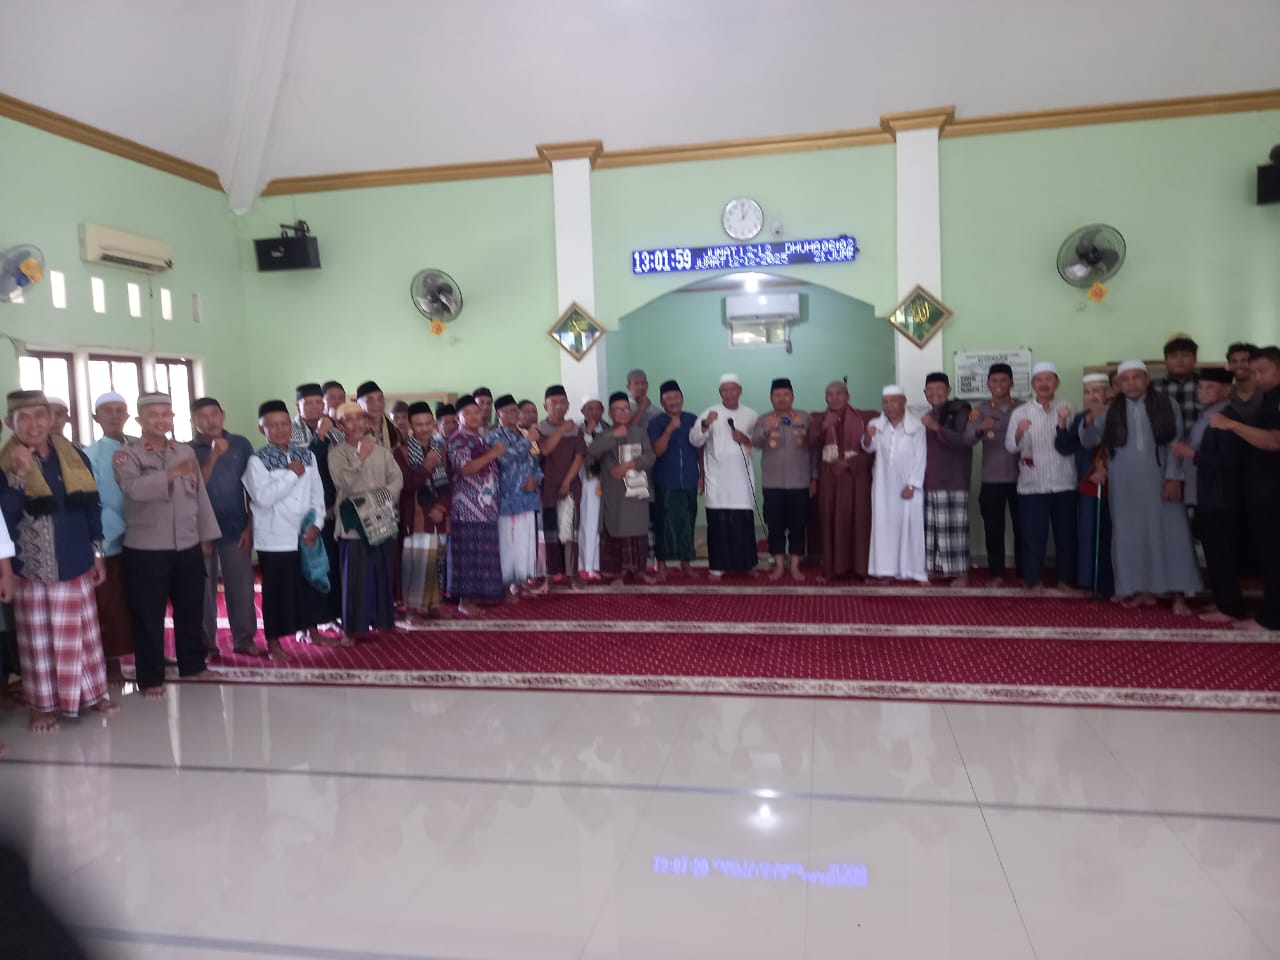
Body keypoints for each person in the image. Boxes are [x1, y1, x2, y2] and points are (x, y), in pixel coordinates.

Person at [0, 391, 115, 733]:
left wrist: (97, 553)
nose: (34, 424)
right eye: (24, 418)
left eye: (40, 415)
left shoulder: (74, 456)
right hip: (30, 568)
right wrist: (19, 476)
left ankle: (93, 695)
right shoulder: (5, 464)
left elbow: (91, 506)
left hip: (76, 559)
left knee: (85, 636)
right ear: (10, 423)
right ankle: (43, 706)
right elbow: (3, 518)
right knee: (38, 643)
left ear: (50, 418)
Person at [114, 392, 220, 699]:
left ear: (173, 418)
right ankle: (150, 677)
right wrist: (171, 474)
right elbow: (133, 488)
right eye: (154, 415)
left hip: (187, 543)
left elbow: (200, 497)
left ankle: (193, 664)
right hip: (147, 549)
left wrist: (206, 536)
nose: (161, 420)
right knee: (148, 615)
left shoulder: (184, 451)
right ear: (140, 420)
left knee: (191, 608)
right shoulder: (127, 455)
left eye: (166, 414)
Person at [1079, 360, 1201, 612]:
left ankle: (1179, 594)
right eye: (1125, 379)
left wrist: (1173, 477)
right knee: (1130, 538)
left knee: (1172, 536)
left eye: (1137, 377)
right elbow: (1088, 441)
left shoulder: (1167, 405)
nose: (1131, 383)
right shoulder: (1111, 410)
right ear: (1118, 384)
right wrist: (1090, 419)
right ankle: (1142, 589)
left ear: (1146, 380)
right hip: (1124, 486)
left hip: (1161, 482)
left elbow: (1176, 442)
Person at [241, 400, 327, 660]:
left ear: (291, 425)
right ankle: (274, 643)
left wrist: (317, 523)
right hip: (275, 537)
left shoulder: (307, 455)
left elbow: (317, 493)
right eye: (273, 425)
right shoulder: (257, 461)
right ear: (262, 429)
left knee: (308, 584)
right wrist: (291, 475)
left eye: (284, 424)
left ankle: (312, 630)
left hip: (305, 533)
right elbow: (263, 498)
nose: (280, 430)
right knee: (276, 592)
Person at [1209, 345, 1280, 630]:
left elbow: (1274, 441)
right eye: (1255, 372)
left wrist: (1231, 425)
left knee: (1273, 554)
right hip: (1261, 489)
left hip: (1272, 490)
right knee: (1267, 554)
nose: (1258, 377)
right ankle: (1270, 613)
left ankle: (1273, 619)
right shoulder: (1268, 399)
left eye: (1264, 371)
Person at [190, 397, 262, 658]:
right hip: (200, 532)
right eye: (203, 416)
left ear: (223, 415)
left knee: (241, 587)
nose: (210, 421)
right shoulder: (187, 450)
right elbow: (193, 487)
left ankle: (244, 639)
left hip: (236, 526)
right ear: (194, 421)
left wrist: (250, 527)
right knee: (203, 592)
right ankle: (207, 645)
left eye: (214, 414)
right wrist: (213, 455)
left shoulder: (241, 444)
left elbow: (253, 487)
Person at [1174, 369, 1245, 622]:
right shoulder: (1207, 416)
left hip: (1220, 498)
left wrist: (1191, 454)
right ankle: (1223, 601)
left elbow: (1230, 462)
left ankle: (1230, 608)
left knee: (1222, 555)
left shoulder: (1227, 417)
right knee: (1215, 555)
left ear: (1227, 390)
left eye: (1210, 387)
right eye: (1201, 387)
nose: (1203, 392)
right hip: (1205, 496)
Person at [329, 400, 402, 641]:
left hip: (381, 518)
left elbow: (396, 480)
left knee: (382, 573)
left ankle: (385, 622)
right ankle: (352, 630)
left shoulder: (382, 452)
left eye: (359, 417)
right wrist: (359, 458)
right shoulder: (337, 454)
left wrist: (377, 500)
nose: (356, 423)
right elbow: (343, 484)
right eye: (349, 420)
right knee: (356, 578)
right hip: (354, 526)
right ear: (341, 426)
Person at [1006, 361, 1078, 593]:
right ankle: (1033, 580)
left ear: (1057, 383)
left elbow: (1075, 443)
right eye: (1039, 380)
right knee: (1033, 536)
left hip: (1064, 482)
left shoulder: (1068, 408)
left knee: (1066, 535)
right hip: (1032, 485)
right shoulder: (1020, 412)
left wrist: (1063, 421)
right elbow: (1010, 447)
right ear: (1032, 384)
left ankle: (1065, 580)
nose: (1044, 384)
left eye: (1049, 379)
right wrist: (1019, 431)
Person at [806, 379, 876, 582]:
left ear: (848, 397)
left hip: (857, 477)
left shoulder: (865, 417)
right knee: (830, 521)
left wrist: (849, 464)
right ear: (825, 398)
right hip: (830, 478)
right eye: (830, 394)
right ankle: (832, 569)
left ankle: (861, 569)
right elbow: (809, 444)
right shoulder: (818, 418)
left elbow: (873, 450)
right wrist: (823, 427)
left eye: (839, 394)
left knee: (860, 521)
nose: (835, 398)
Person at [689, 373, 759, 576]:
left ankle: (746, 566)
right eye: (724, 390)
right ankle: (717, 568)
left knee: (742, 523)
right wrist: (705, 424)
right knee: (718, 525)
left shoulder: (751, 415)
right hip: (717, 480)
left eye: (732, 389)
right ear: (720, 392)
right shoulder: (710, 413)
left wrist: (744, 438)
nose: (729, 394)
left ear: (740, 391)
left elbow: (758, 443)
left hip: (742, 480)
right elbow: (695, 440)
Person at [83, 392, 135, 661]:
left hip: (145, 538)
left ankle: (148, 653)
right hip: (111, 540)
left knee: (145, 600)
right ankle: (115, 660)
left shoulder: (140, 446)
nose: (115, 415)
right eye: (108, 410)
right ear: (96, 417)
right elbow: (93, 502)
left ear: (128, 415)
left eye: (119, 410)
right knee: (112, 603)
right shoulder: (89, 455)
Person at [1054, 373, 1114, 598]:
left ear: (1108, 392)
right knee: (1088, 532)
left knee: (1113, 535)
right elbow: (1065, 447)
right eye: (1087, 392)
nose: (1091, 396)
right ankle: (1089, 581)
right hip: (1089, 484)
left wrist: (1107, 469)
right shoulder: (1081, 417)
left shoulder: (1117, 415)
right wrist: (1062, 423)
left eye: (1096, 391)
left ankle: (1112, 583)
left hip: (1116, 484)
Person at [590, 392, 657, 585]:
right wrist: (614, 436)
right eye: (617, 410)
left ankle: (639, 571)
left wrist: (629, 465)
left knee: (638, 532)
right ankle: (618, 573)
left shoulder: (640, 432)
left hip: (637, 490)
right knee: (616, 528)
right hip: (615, 491)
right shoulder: (603, 433)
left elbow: (650, 456)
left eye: (626, 409)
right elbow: (592, 451)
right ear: (610, 413)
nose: (622, 413)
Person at [291, 382, 344, 630]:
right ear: (298, 407)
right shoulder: (292, 430)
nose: (314, 408)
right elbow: (304, 464)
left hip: (331, 508)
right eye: (308, 403)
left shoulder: (333, 429)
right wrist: (320, 436)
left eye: (318, 403)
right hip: (305, 511)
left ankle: (330, 616)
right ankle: (307, 626)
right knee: (309, 568)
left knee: (331, 565)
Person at [446, 395, 504, 614]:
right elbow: (465, 468)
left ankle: (480, 594)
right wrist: (493, 454)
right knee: (467, 555)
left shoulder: (480, 438)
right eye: (467, 413)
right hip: (466, 509)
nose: (473, 416)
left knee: (482, 552)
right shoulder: (457, 439)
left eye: (476, 412)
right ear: (458, 419)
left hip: (486, 508)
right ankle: (465, 600)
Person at [753, 378, 814, 582]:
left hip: (800, 482)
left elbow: (814, 449)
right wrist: (766, 430)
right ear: (771, 398)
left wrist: (814, 477)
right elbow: (755, 443)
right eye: (777, 395)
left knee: (798, 525)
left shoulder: (805, 417)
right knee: (775, 525)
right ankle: (779, 565)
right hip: (773, 484)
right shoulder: (763, 419)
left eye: (786, 394)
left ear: (792, 396)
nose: (781, 399)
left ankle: (795, 566)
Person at [393, 402, 450, 619]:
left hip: (438, 514)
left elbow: (449, 483)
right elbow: (406, 484)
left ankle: (433, 605)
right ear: (410, 426)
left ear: (434, 423)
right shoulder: (401, 452)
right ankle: (411, 609)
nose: (424, 428)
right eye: (419, 424)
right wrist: (427, 466)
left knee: (436, 561)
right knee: (415, 562)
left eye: (427, 423)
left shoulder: (440, 450)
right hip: (414, 514)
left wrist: (441, 507)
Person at [864, 385, 926, 582]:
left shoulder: (916, 425)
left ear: (903, 402)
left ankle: (914, 572)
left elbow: (921, 457)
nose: (889, 406)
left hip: (908, 486)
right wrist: (868, 436)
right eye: (885, 402)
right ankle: (886, 571)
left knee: (911, 527)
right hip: (883, 485)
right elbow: (868, 448)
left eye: (893, 401)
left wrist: (912, 484)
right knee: (885, 527)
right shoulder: (876, 424)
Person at [967, 363, 1023, 582]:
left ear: (1011, 383)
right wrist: (980, 429)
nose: (999, 384)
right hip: (992, 478)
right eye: (994, 381)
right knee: (994, 529)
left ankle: (1024, 574)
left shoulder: (1023, 407)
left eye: (1003, 380)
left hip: (1022, 478)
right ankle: (997, 573)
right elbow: (969, 438)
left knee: (1024, 528)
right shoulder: (980, 410)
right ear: (988, 384)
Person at [921, 372, 977, 585]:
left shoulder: (960, 412)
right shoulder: (927, 415)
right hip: (930, 480)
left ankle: (961, 573)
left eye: (939, 389)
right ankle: (936, 569)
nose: (935, 393)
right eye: (930, 390)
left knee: (955, 530)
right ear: (925, 393)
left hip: (954, 480)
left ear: (949, 391)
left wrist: (936, 427)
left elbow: (964, 440)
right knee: (933, 529)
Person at [488, 394, 543, 597]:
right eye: (508, 411)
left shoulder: (523, 434)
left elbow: (535, 461)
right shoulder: (494, 436)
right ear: (498, 414)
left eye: (515, 410)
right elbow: (505, 458)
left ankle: (521, 581)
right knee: (508, 541)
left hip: (528, 496)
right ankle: (505, 584)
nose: (513, 414)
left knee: (525, 541)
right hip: (508, 497)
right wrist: (527, 441)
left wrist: (536, 478)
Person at [648, 379, 701, 580]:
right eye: (668, 399)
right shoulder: (656, 423)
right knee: (663, 524)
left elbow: (700, 449)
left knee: (688, 522)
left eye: (676, 397)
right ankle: (662, 566)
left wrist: (702, 474)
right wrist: (669, 429)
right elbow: (657, 451)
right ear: (662, 403)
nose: (673, 402)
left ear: (682, 399)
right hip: (665, 481)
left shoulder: (693, 419)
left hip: (689, 480)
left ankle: (685, 563)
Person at [535, 385, 587, 586]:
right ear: (545, 406)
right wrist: (561, 430)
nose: (558, 407)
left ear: (568, 405)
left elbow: (579, 457)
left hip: (571, 488)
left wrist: (566, 482)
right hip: (547, 489)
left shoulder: (576, 429)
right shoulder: (538, 429)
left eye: (562, 403)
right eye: (553, 403)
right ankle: (549, 576)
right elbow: (544, 450)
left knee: (571, 532)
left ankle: (572, 575)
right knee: (549, 533)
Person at [577, 395, 607, 582]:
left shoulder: (609, 428)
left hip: (608, 482)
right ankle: (588, 565)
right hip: (587, 482)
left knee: (604, 525)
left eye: (598, 408)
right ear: (582, 411)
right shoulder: (577, 430)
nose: (594, 412)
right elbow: (582, 453)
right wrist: (588, 433)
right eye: (590, 408)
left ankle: (603, 563)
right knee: (588, 523)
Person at [1154, 334, 1200, 439]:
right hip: (1165, 445)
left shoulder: (1205, 385)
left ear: (1195, 359)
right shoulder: (1154, 387)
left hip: (1199, 445)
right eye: (1174, 356)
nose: (1179, 361)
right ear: (1165, 361)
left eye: (1185, 355)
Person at [356, 380, 402, 451]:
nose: (377, 404)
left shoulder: (393, 427)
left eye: (380, 399)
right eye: (370, 400)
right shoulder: (354, 430)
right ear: (359, 404)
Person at [1226, 342, 1262, 418]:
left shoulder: (1266, 394)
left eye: (1244, 360)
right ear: (1229, 365)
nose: (1239, 365)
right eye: (1234, 361)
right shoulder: (1225, 395)